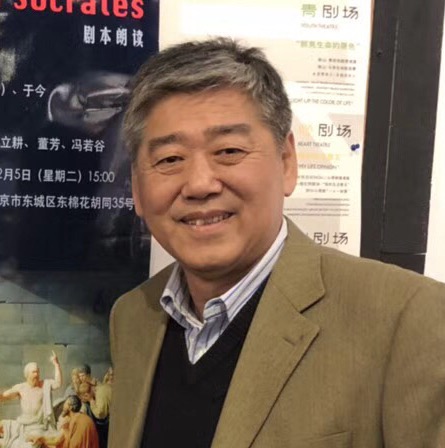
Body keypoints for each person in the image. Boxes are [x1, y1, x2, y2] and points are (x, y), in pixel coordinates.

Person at [108, 38, 445, 448]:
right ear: (137, 189)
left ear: (287, 162)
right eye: (169, 159)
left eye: (228, 150)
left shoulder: (409, 318)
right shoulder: (132, 317)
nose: (199, 184)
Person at [0, 351, 62, 447]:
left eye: (37, 372)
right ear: (27, 375)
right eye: (34, 372)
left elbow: (58, 383)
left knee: (30, 445)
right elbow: (4, 397)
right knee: (2, 425)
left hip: (37, 426)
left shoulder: (44, 385)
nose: (36, 374)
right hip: (22, 424)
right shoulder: (21, 388)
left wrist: (56, 364)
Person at [28, 395, 99, 448]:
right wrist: (41, 439)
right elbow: (57, 440)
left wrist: (43, 440)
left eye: (65, 404)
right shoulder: (78, 418)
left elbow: (73, 444)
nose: (63, 407)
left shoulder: (75, 421)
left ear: (70, 407)